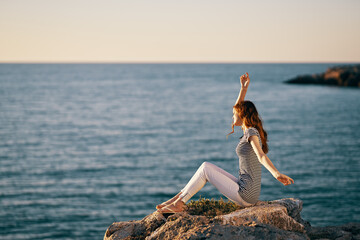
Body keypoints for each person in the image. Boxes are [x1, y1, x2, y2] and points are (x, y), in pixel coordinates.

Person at [156, 72, 294, 213]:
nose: (232, 116)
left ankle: (179, 204)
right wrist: (243, 89)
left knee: (205, 170)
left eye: (235, 114)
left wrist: (276, 174)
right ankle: (175, 200)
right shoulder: (248, 131)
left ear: (242, 116)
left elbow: (261, 156)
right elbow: (238, 108)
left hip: (246, 194)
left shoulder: (251, 132)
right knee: (206, 166)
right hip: (244, 187)